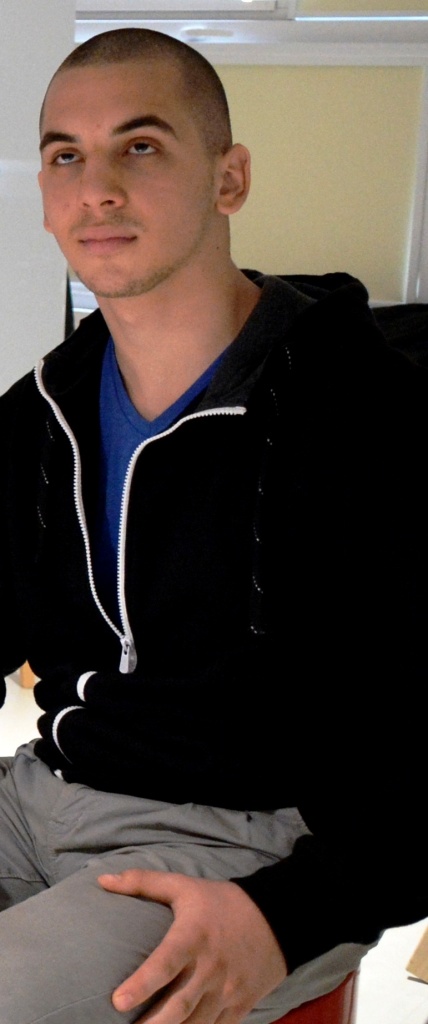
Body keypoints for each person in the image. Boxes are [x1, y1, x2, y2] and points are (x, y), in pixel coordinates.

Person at [0, 26, 427, 1024]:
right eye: (66, 156)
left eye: (141, 146)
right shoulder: (38, 414)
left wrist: (290, 915)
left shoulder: (366, 416)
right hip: (40, 797)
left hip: (250, 842)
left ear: (228, 178)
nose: (97, 189)